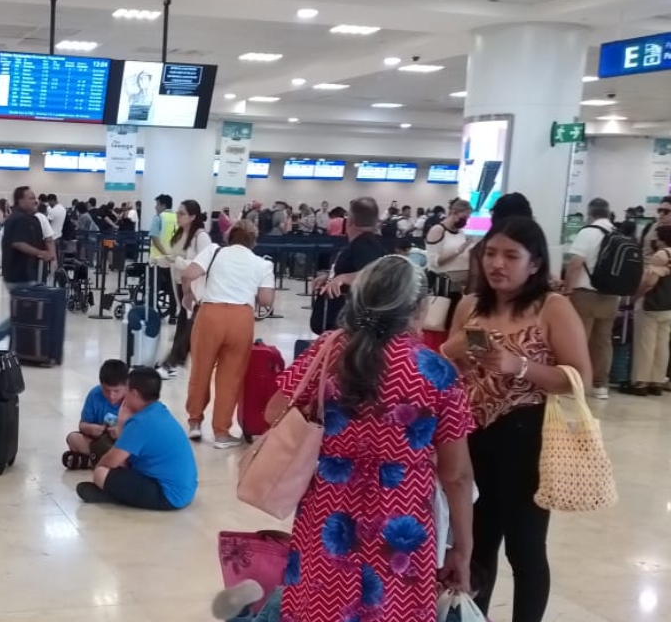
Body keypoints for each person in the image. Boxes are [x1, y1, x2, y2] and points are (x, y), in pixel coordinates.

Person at [280, 256, 476, 622]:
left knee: (319, 605)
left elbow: (273, 412)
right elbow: (457, 475)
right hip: (400, 519)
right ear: (419, 307)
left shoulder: (327, 351)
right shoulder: (436, 372)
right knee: (391, 610)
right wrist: (462, 549)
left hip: (327, 509)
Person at [444, 217, 590, 622]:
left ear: (535, 263)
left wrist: (519, 366)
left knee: (525, 547)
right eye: (490, 253)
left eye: (511, 255)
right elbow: (450, 374)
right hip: (471, 438)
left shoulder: (552, 307)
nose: (498, 264)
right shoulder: (471, 305)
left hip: (526, 439)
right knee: (475, 543)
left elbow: (579, 377)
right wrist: (451, 351)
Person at [180, 220, 276, 447]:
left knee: (200, 371)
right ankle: (222, 433)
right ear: (254, 240)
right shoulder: (262, 264)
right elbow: (266, 300)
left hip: (210, 314)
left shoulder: (214, 251)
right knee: (230, 378)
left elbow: (188, 273)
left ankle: (195, 423)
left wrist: (186, 295)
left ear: (229, 236)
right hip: (241, 320)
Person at [76, 366, 196, 510]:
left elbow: (111, 461)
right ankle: (118, 492)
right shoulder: (157, 410)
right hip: (185, 490)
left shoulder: (141, 422)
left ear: (134, 393)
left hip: (168, 495)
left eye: (126, 389)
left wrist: (99, 469)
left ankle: (114, 496)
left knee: (101, 473)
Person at [565, 198, 619, 399]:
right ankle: (600, 386)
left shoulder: (587, 232)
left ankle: (577, 385)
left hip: (585, 294)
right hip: (611, 296)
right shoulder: (617, 233)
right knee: (603, 341)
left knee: (579, 339)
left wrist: (568, 291)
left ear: (590, 213)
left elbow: (575, 264)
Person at [155, 200, 212, 380]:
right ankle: (174, 361)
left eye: (182, 213)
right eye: (178, 213)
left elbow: (203, 264)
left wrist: (177, 262)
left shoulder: (201, 237)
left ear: (193, 216)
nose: (177, 217)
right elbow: (175, 259)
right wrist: (165, 260)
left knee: (187, 325)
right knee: (184, 324)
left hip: (194, 288)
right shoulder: (180, 234)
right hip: (180, 283)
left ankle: (172, 362)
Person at [0, 186, 53, 345]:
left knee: (23, 312)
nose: (35, 200)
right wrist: (40, 253)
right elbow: (19, 243)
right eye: (31, 198)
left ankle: (15, 347)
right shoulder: (19, 219)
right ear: (20, 200)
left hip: (25, 273)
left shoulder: (28, 218)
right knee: (22, 313)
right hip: (19, 275)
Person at [627, 225, 671, 396]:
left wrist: (635, 296)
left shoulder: (661, 254)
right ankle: (657, 381)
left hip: (652, 305)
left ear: (662, 239)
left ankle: (640, 383)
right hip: (668, 306)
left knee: (645, 345)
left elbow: (650, 282)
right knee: (662, 345)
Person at [315, 198, 388, 301]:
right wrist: (330, 277)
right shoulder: (363, 242)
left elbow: (374, 275)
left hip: (352, 309)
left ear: (350, 221)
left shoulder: (364, 244)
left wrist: (343, 278)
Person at [63, 359, 129, 470]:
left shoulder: (132, 399)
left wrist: (121, 432)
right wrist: (90, 428)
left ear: (126, 386)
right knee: (72, 438)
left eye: (116, 391)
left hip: (122, 445)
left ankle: (90, 461)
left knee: (129, 457)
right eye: (106, 390)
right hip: (98, 442)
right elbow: (82, 425)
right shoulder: (95, 394)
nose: (111, 396)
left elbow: (141, 433)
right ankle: (107, 463)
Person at [426, 198, 473, 290]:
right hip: (443, 283)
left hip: (460, 283)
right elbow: (434, 262)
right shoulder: (437, 230)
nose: (466, 221)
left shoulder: (460, 232)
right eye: (464, 217)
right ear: (454, 213)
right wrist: (457, 251)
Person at [46, 193, 68, 267]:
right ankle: (59, 271)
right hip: (59, 235)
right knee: (58, 257)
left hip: (52, 237)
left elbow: (47, 224)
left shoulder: (53, 211)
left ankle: (52, 272)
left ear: (52, 200)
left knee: (52, 257)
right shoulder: (63, 209)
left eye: (49, 202)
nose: (49, 204)